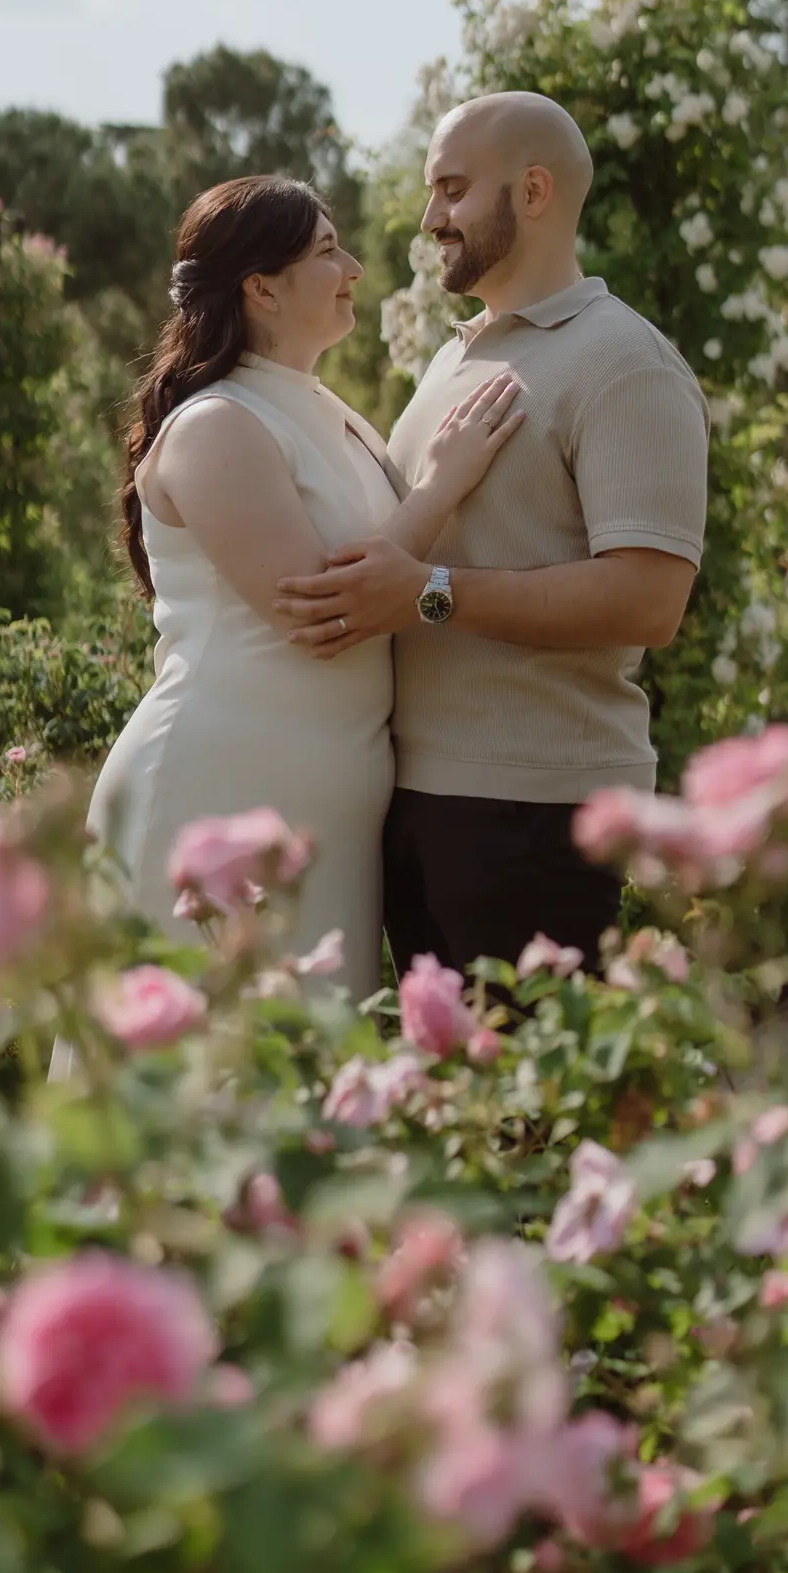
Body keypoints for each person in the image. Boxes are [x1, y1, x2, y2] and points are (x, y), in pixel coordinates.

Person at [275, 90, 709, 973]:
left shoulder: (624, 361)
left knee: (538, 1111)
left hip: (538, 818)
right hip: (419, 805)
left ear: (535, 191)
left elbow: (649, 598)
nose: (430, 217)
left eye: (453, 190)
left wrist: (430, 596)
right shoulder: (456, 355)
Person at [87, 173, 523, 1000]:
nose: (354, 267)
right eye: (328, 251)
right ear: (261, 288)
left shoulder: (324, 410)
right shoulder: (219, 425)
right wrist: (442, 485)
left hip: (324, 818)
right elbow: (321, 615)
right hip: (218, 799)